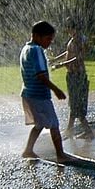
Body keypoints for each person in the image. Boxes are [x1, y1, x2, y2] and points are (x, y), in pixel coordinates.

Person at [20, 20, 69, 162]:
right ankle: (61, 155)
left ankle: (28, 150)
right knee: (54, 124)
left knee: (39, 124)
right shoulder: (36, 50)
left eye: (51, 39)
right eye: (48, 39)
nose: (49, 43)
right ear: (36, 36)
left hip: (28, 93)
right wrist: (56, 90)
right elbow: (41, 75)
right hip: (39, 95)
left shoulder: (26, 48)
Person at [50, 17, 93, 139]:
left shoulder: (79, 39)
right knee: (74, 103)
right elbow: (68, 52)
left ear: (72, 27)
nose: (67, 30)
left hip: (77, 75)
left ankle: (87, 131)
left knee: (76, 104)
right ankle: (70, 130)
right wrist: (56, 59)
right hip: (73, 74)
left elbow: (80, 57)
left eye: (68, 28)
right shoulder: (74, 38)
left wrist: (62, 64)